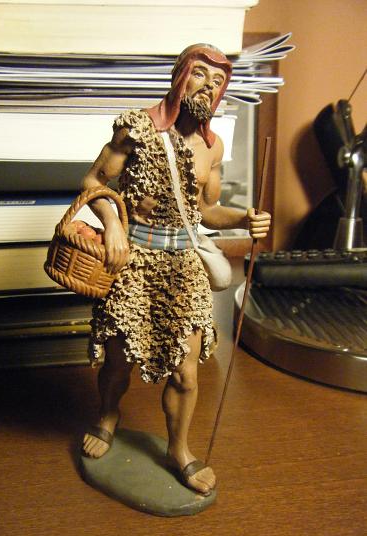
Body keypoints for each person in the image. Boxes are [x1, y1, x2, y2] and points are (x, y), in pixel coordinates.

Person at [81, 43, 271, 496]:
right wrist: (113, 224)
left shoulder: (212, 146)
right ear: (179, 76)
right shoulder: (136, 127)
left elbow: (207, 211)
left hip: (183, 267)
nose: (208, 86)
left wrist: (245, 218)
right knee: (118, 360)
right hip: (134, 263)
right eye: (200, 74)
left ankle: (179, 449)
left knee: (186, 372)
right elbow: (93, 181)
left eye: (218, 80)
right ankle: (108, 416)